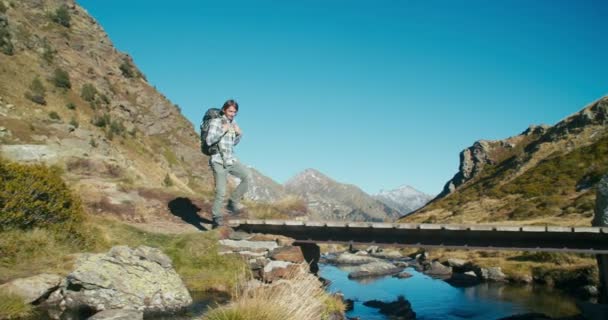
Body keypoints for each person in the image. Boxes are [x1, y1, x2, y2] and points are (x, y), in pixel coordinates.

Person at [206, 99, 251, 228]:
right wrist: (223, 130)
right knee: (221, 191)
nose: (232, 114)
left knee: (247, 176)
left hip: (231, 159)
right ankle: (216, 218)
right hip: (218, 160)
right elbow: (209, 141)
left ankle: (233, 202)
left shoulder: (234, 123)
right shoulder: (216, 122)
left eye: (235, 112)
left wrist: (239, 135)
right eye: (230, 111)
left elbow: (233, 144)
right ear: (224, 110)